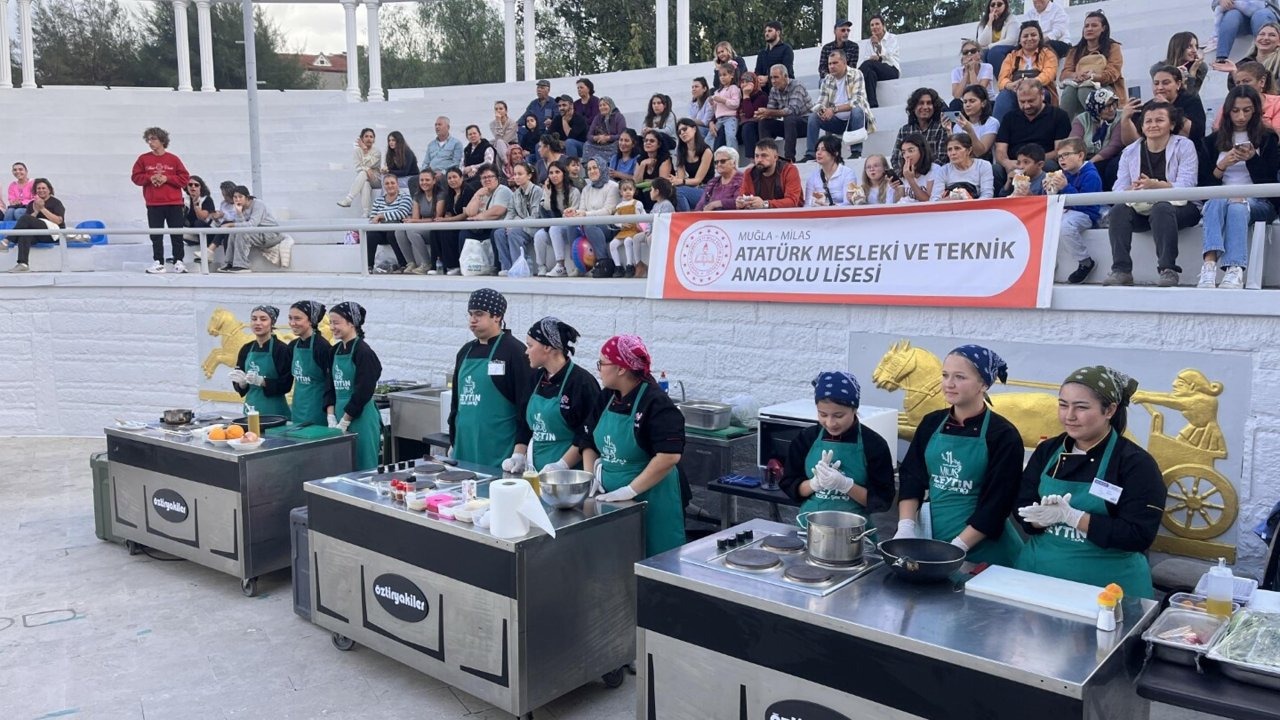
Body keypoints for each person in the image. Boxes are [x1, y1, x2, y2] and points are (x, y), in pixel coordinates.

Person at [1015, 366, 1165, 599]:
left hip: (1108, 591)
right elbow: (1022, 503)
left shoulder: (1136, 464)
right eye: (1063, 405)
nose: (1069, 415)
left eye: (1081, 407)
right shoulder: (1048, 450)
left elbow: (1138, 535)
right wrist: (1036, 518)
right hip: (1037, 579)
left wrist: (1073, 517)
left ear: (1110, 410)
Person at [895, 346, 1025, 567]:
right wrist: (906, 526)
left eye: (960, 377)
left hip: (986, 554)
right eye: (945, 375)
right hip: (934, 542)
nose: (949, 384)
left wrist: (958, 547)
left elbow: (997, 503)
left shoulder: (1003, 435)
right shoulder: (931, 423)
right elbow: (911, 478)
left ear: (983, 384)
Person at [581, 334, 686, 557]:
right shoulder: (607, 396)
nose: (598, 369)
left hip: (653, 500)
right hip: (610, 501)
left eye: (602, 363)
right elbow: (588, 440)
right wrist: (589, 476)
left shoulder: (656, 402)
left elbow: (668, 456)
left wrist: (630, 490)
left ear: (621, 368)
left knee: (655, 564)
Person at [1104, 102, 1202, 287]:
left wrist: (1156, 186)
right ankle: (1121, 270)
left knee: (1162, 207)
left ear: (1172, 124)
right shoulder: (1130, 151)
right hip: (1142, 208)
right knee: (1118, 211)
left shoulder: (1185, 146)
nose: (1153, 125)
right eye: (1148, 121)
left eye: (1159, 120)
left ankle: (1168, 269)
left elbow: (1188, 185)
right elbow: (1118, 188)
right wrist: (1131, 190)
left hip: (1182, 208)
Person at [781, 371, 894, 530]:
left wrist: (845, 485)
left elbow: (882, 500)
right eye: (823, 414)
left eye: (839, 415)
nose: (830, 422)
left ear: (854, 409)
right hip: (810, 530)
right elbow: (790, 484)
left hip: (854, 533)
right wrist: (814, 484)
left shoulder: (874, 444)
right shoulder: (806, 439)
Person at [1199, 84, 1280, 289]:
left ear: (1255, 111)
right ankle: (1209, 265)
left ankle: (1234, 268)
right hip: (1221, 197)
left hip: (1260, 201)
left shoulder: (1268, 138)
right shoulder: (1212, 141)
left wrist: (1252, 159)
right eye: (1235, 111)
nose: (1241, 116)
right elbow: (1204, 187)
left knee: (1237, 205)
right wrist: (1222, 165)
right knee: (1216, 201)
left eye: (1247, 110)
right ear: (1227, 112)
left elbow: (1270, 181)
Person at [449, 289, 534, 470]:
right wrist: (453, 439)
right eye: (470, 314)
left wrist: (520, 449)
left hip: (500, 450)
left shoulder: (515, 352)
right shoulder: (464, 352)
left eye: (479, 314)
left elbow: (526, 405)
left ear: (497, 317)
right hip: (464, 447)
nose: (473, 320)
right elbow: (455, 403)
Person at [524, 317, 600, 472]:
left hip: (570, 476)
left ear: (547, 347)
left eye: (530, 345)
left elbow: (589, 433)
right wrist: (518, 455)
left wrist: (561, 465)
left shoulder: (582, 383)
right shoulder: (535, 379)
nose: (526, 351)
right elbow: (523, 424)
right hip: (535, 472)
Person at [327, 302, 383, 470]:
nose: (332, 327)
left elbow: (364, 390)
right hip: (338, 415)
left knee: (364, 466)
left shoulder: (364, 352)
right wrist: (331, 417)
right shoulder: (334, 351)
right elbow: (329, 386)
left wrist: (345, 421)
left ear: (352, 323)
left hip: (361, 418)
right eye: (330, 322)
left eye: (336, 322)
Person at [131, 126, 190, 275]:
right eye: (149, 139)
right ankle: (158, 261)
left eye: (154, 139)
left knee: (177, 233)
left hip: (174, 203)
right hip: (154, 203)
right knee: (156, 235)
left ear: (162, 140)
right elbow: (135, 177)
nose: (150, 142)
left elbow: (184, 178)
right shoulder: (143, 159)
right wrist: (149, 178)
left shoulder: (173, 159)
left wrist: (167, 178)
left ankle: (179, 261)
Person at [993, 80, 1072, 189]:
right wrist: (1007, 163)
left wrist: (1031, 163)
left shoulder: (1058, 116)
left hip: (1041, 162)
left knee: (1050, 166)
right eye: (1022, 102)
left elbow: (1059, 150)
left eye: (1031, 101)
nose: (1026, 106)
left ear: (1042, 95)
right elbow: (1000, 149)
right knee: (995, 170)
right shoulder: (1009, 118)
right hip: (1015, 164)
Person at [1048, 137, 1104, 284]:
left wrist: (1065, 187)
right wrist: (1049, 189)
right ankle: (1046, 263)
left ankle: (1085, 261)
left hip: (1087, 215)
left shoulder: (1091, 175)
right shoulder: (1064, 174)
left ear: (1080, 155)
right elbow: (1055, 199)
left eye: (1066, 155)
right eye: (1059, 156)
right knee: (1042, 223)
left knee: (1065, 227)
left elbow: (1087, 204)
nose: (1061, 159)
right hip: (1065, 212)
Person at [805, 50, 873, 161]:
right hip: (836, 122)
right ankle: (811, 154)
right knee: (813, 117)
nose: (831, 66)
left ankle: (856, 152)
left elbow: (857, 101)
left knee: (857, 111)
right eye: (829, 64)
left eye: (835, 63)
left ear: (845, 63)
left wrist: (834, 110)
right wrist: (822, 111)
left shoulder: (856, 74)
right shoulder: (827, 79)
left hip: (855, 121)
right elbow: (820, 102)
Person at [1059, 10, 1127, 120]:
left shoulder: (1113, 47)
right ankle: (1064, 132)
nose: (1089, 29)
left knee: (1084, 90)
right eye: (1086, 26)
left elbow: (1112, 74)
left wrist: (1092, 77)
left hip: (1106, 88)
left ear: (1103, 28)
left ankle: (1100, 128)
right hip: (1079, 86)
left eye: (1094, 25)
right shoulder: (1074, 51)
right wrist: (1076, 75)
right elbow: (1064, 74)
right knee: (1069, 90)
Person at [228, 304, 293, 420]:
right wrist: (241, 384)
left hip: (275, 412)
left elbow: (286, 384)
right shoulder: (246, 349)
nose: (257, 323)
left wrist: (262, 381)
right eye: (254, 319)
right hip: (251, 409)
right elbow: (239, 381)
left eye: (263, 319)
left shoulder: (281, 349)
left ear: (272, 323)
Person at [560, 158, 620, 277]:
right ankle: (579, 265)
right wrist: (574, 211)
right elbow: (582, 209)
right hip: (589, 224)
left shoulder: (613, 186)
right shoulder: (587, 189)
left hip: (609, 226)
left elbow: (608, 211)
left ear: (602, 168)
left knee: (589, 226)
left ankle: (603, 262)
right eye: (589, 169)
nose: (591, 171)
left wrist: (586, 215)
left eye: (595, 168)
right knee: (571, 225)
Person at [1122, 66, 1208, 148]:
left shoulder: (1191, 101)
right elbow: (1132, 142)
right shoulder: (1149, 106)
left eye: (1166, 83)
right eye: (1156, 83)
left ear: (1178, 84)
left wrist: (1169, 108)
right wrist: (1126, 119)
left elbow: (1196, 133)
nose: (1159, 87)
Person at [993, 21, 1060, 122]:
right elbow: (1002, 80)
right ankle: (998, 135)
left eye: (1033, 35)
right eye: (1025, 36)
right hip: (1015, 89)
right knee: (1003, 96)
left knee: (1038, 95)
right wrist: (1011, 85)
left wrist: (1028, 85)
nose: (1029, 38)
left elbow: (1048, 75)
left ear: (1040, 38)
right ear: (1020, 40)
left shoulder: (1048, 54)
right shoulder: (1011, 56)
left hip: (1041, 89)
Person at [745, 65, 812, 163]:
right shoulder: (773, 89)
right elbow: (771, 111)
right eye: (771, 78)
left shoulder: (797, 85)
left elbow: (792, 111)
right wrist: (762, 114)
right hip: (789, 127)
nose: (773, 81)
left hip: (806, 124)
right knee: (764, 121)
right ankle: (767, 157)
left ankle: (789, 159)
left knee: (789, 118)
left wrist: (769, 112)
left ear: (785, 76)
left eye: (776, 77)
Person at [286, 300, 334, 427]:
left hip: (317, 410)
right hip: (297, 408)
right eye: (290, 318)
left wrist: (331, 414)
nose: (292, 323)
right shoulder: (292, 346)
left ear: (311, 321)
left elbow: (331, 382)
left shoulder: (322, 347)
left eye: (297, 318)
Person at [222, 186, 288, 274]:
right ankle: (229, 263)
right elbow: (242, 226)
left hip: (271, 235)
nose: (237, 199)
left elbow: (252, 225)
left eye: (240, 197)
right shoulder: (239, 207)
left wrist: (231, 224)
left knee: (242, 234)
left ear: (247, 197)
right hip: (257, 234)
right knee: (234, 233)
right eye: (235, 197)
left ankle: (242, 265)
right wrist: (239, 213)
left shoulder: (258, 204)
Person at [4, 178, 65, 273]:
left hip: (53, 233)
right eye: (38, 188)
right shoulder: (32, 204)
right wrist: (36, 211)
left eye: (43, 188)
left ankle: (6, 241)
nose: (41, 190)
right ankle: (23, 264)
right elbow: (28, 222)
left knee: (24, 218)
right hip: (39, 234)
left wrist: (42, 209)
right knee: (24, 235)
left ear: (49, 190)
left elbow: (58, 221)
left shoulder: (56, 202)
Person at [493, 162, 543, 275]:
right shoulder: (515, 193)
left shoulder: (537, 191)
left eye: (520, 174)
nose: (516, 177)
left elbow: (535, 215)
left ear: (529, 176)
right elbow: (510, 212)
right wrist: (507, 224)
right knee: (499, 233)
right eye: (515, 174)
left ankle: (519, 267)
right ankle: (506, 267)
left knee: (514, 232)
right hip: (520, 226)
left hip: (534, 227)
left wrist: (516, 224)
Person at [1071, 88, 1125, 191]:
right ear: (1095, 108)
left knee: (1100, 168)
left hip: (1110, 158)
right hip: (1083, 158)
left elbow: (1115, 145)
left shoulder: (1120, 117)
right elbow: (1074, 143)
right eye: (1106, 106)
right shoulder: (1082, 119)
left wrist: (1090, 163)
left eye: (1113, 104)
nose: (1112, 109)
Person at [462, 164, 512, 273]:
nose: (487, 180)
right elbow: (470, 212)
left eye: (490, 176)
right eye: (484, 178)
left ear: (497, 178)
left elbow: (498, 211)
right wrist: (477, 195)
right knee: (465, 233)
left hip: (499, 226)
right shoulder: (482, 192)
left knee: (496, 232)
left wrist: (477, 217)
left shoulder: (503, 190)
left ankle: (497, 267)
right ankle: (466, 266)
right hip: (484, 226)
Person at [534, 160, 580, 277]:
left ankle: (560, 266)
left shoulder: (574, 192)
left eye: (557, 172)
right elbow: (547, 208)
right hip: (555, 228)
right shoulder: (548, 191)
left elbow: (574, 213)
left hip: (571, 228)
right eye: (551, 173)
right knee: (539, 235)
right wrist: (548, 193)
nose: (554, 175)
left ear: (564, 173)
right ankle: (541, 266)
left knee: (555, 228)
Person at [396, 169, 445, 274]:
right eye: (421, 180)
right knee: (399, 231)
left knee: (411, 231)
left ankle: (427, 263)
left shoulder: (440, 194)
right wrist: (412, 221)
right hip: (424, 225)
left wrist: (415, 221)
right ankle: (410, 263)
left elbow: (437, 218)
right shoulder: (418, 195)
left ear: (434, 181)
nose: (424, 182)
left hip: (435, 227)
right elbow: (415, 218)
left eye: (427, 180)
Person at [890, 87, 948, 172]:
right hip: (908, 178)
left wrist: (920, 174)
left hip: (934, 176)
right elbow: (896, 159)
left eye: (929, 103)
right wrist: (904, 175)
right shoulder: (904, 130)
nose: (925, 107)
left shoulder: (941, 128)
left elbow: (942, 158)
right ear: (913, 107)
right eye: (921, 103)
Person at [1213, 60, 1280, 130]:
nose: (1241, 86)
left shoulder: (1277, 103)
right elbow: (1217, 129)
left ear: (1262, 82)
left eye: (1246, 81)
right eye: (1238, 83)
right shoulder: (1229, 103)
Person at [736, 140, 802, 209]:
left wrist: (765, 204)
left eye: (764, 156)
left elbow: (792, 201)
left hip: (791, 217)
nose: (759, 160)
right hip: (761, 217)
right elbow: (743, 196)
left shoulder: (789, 170)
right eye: (756, 156)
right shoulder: (749, 173)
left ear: (775, 157)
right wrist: (741, 203)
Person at [628, 178, 673, 278]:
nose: (650, 192)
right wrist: (648, 230)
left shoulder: (666, 204)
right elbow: (650, 221)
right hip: (652, 231)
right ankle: (640, 264)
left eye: (651, 189)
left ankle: (655, 264)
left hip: (661, 233)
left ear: (657, 191)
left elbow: (663, 222)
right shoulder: (656, 205)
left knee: (650, 238)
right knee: (636, 238)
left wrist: (652, 232)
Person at [366, 175, 412, 273]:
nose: (390, 185)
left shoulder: (405, 197)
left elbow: (401, 213)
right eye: (387, 183)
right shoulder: (378, 200)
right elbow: (372, 218)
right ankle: (369, 266)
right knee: (371, 234)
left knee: (392, 233)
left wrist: (381, 216)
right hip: (382, 231)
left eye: (392, 183)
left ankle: (403, 264)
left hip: (397, 231)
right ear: (383, 186)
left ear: (397, 184)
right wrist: (378, 218)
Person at [435, 167, 475, 275]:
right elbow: (448, 212)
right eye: (449, 178)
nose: (452, 180)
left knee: (447, 232)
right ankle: (438, 265)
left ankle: (454, 265)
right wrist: (446, 218)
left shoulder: (468, 191)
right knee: (434, 232)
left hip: (466, 223)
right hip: (454, 222)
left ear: (461, 178)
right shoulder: (451, 193)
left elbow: (465, 214)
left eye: (454, 177)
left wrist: (448, 220)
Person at [1217, 22, 1280, 91]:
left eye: (1272, 35)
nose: (1265, 38)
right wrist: (1235, 73)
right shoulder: (1243, 64)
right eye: (1262, 34)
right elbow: (1236, 93)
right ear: (1255, 40)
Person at [1213, 0, 1280, 63]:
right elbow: (1214, 4)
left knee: (1260, 15)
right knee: (1232, 15)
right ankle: (1221, 57)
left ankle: (1268, 56)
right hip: (1240, 20)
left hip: (1263, 12)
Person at [946, 84, 1001, 160]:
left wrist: (970, 130)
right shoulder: (958, 125)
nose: (967, 105)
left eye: (972, 101)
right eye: (965, 102)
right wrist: (949, 131)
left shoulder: (992, 122)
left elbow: (980, 152)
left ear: (983, 103)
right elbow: (956, 152)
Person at [933, 134, 995, 200]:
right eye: (949, 149)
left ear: (969, 150)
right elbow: (934, 200)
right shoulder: (943, 170)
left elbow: (987, 195)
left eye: (957, 148)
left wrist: (969, 200)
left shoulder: (983, 166)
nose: (953, 153)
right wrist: (953, 197)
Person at [669, 118, 713, 211]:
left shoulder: (706, 151)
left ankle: (686, 219)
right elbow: (680, 178)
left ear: (694, 129)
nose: (682, 133)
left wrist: (681, 181)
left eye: (685, 129)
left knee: (678, 191)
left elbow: (698, 180)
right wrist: (676, 181)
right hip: (693, 188)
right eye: (679, 132)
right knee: (670, 191)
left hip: (707, 189)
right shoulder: (681, 151)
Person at [804, 135, 859, 206]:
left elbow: (849, 203)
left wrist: (827, 206)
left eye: (823, 149)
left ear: (835, 153)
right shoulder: (813, 177)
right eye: (817, 149)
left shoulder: (848, 174)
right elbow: (807, 205)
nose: (818, 153)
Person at [858, 15, 901, 108]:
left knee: (869, 65)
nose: (874, 27)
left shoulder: (892, 38)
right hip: (876, 71)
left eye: (877, 24)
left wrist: (877, 46)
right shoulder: (869, 43)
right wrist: (874, 58)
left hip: (891, 70)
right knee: (870, 74)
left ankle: (855, 80)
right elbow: (866, 58)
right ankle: (873, 105)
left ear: (883, 25)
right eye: (872, 25)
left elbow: (889, 55)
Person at [337, 127, 380, 211]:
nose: (369, 139)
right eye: (366, 136)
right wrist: (367, 169)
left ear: (374, 140)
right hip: (364, 177)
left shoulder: (377, 151)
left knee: (363, 173)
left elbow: (371, 163)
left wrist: (365, 150)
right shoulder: (357, 151)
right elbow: (358, 167)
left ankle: (349, 199)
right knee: (365, 183)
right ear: (361, 139)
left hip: (376, 178)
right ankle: (366, 212)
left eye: (371, 137)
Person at [609, 179, 644, 277]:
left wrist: (642, 225)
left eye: (630, 189)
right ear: (620, 192)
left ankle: (630, 265)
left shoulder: (637, 203)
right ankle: (618, 267)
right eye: (624, 190)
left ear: (634, 190)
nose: (628, 192)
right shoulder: (619, 206)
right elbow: (615, 219)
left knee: (628, 241)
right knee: (612, 244)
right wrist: (621, 224)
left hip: (634, 230)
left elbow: (644, 215)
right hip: (624, 231)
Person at [1157, 32, 1208, 98]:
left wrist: (1192, 73)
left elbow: (1191, 97)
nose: (1195, 50)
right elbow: (1164, 96)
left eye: (1196, 46)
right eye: (1189, 46)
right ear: (1178, 48)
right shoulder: (1159, 68)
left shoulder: (1201, 67)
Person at [892, 133, 940, 202]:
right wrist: (896, 188)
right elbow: (900, 199)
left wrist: (910, 180)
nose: (906, 155)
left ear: (922, 150)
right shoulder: (906, 169)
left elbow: (928, 200)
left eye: (910, 151)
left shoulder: (934, 169)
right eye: (903, 152)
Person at [950, 40, 996, 112]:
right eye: (965, 52)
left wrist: (972, 71)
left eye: (973, 51)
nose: (969, 54)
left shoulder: (987, 67)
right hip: (968, 103)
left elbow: (979, 93)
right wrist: (966, 73)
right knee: (955, 103)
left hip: (986, 102)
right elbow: (956, 95)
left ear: (979, 54)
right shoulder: (956, 71)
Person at [695, 146, 744, 211]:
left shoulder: (742, 179)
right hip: (712, 218)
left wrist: (716, 204)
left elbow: (740, 202)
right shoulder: (713, 182)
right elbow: (701, 203)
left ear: (734, 163)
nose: (718, 164)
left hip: (733, 218)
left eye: (723, 161)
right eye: (716, 162)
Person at [583, 96, 627, 168]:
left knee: (617, 145)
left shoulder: (619, 117)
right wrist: (597, 138)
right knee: (587, 145)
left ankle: (610, 167)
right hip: (600, 144)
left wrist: (608, 138)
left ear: (611, 105)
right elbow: (589, 135)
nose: (602, 107)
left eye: (604, 105)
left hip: (613, 143)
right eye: (600, 105)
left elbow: (622, 135)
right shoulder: (597, 118)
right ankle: (590, 168)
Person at [634, 129, 673, 209]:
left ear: (659, 144)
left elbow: (662, 182)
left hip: (661, 193)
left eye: (652, 141)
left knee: (649, 191)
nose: (648, 143)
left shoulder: (664, 159)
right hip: (645, 194)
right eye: (646, 140)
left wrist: (647, 182)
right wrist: (643, 164)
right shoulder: (641, 159)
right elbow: (636, 181)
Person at [183, 175, 218, 260]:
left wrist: (196, 206)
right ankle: (178, 258)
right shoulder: (185, 200)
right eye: (190, 185)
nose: (193, 187)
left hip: (209, 232)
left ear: (201, 187)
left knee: (198, 223)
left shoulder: (206, 199)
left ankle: (206, 252)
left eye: (196, 185)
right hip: (192, 233)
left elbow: (202, 217)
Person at [737, 72, 770, 159]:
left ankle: (752, 159)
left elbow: (749, 114)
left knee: (748, 126)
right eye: (742, 82)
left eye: (747, 82)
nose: (744, 85)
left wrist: (746, 96)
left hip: (757, 129)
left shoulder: (762, 96)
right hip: (742, 129)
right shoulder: (739, 97)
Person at [977, 0, 1017, 73]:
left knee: (994, 52)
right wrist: (990, 21)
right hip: (990, 51)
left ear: (1005, 6)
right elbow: (981, 42)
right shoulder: (984, 22)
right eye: (992, 5)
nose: (995, 7)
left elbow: (1012, 40)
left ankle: (1004, 79)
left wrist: (990, 46)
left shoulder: (1011, 19)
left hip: (1009, 49)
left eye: (999, 4)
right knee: (982, 54)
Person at [709, 64, 742, 150]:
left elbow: (735, 104)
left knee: (730, 137)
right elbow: (715, 109)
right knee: (709, 138)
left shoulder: (734, 88)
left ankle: (734, 158)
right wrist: (712, 103)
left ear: (731, 75)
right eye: (720, 75)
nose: (722, 77)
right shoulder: (717, 91)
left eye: (724, 75)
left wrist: (722, 100)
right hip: (719, 119)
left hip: (730, 118)